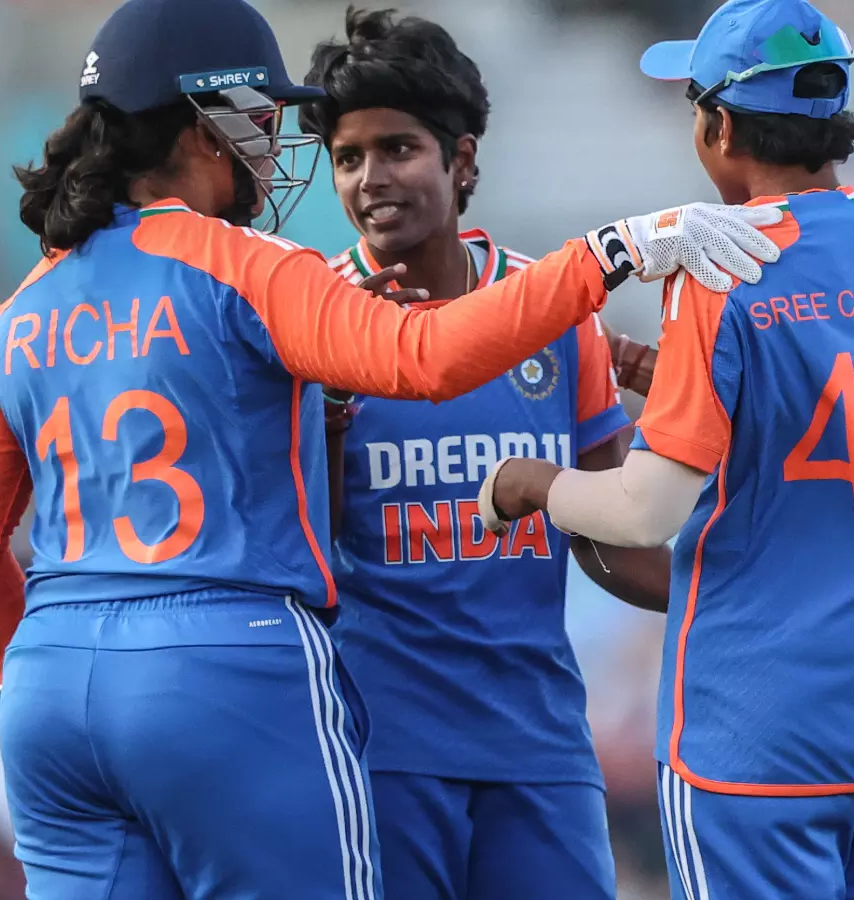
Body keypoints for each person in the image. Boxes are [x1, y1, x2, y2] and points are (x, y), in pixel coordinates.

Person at [0, 0, 787, 896]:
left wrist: (27, 663)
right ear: (199, 124)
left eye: (397, 148)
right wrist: (615, 249)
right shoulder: (263, 275)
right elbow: (428, 354)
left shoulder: (23, 306)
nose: (279, 144)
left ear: (463, 158)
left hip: (62, 693)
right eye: (267, 118)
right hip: (273, 689)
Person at [475, 1, 854, 897]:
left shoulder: (721, 270)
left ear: (719, 127)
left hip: (758, 729)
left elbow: (645, 511)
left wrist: (531, 485)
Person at [295, 9, 670, 899]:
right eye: (348, 158)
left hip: (537, 746)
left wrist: (731, 588)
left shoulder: (554, 313)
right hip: (378, 751)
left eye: (398, 149)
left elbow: (609, 534)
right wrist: (334, 417)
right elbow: (291, 539)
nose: (370, 180)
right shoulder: (310, 321)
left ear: (462, 161)